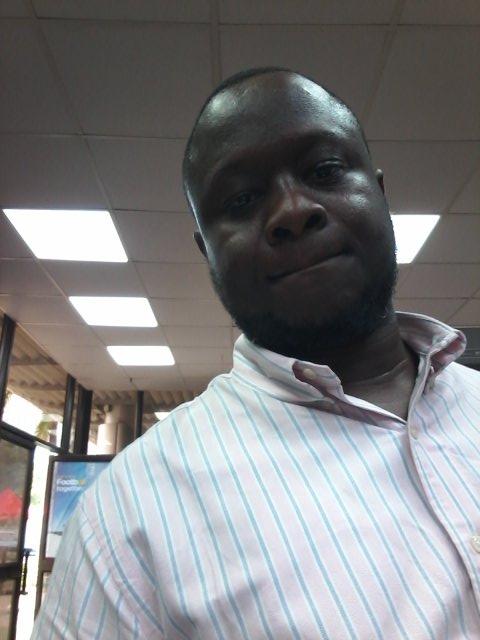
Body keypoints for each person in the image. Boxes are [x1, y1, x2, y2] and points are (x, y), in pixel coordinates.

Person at [32, 67, 480, 639]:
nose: (293, 210)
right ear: (207, 252)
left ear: (379, 192)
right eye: (242, 199)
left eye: (324, 170)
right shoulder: (127, 518)